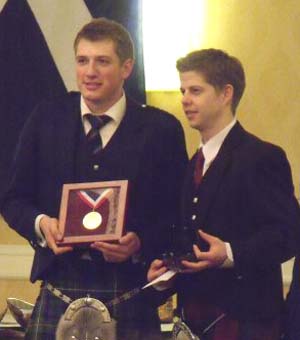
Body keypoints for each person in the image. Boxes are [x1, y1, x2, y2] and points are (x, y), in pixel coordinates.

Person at [0, 18, 188, 339]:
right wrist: (42, 224)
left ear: (126, 67)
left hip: (130, 289)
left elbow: (178, 213)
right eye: (83, 60)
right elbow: (12, 198)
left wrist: (139, 241)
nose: (90, 72)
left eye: (103, 61)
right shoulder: (46, 118)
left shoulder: (161, 130)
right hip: (59, 285)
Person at [147, 48, 300, 340]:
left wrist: (230, 253)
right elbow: (189, 238)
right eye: (182, 91)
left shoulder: (261, 156)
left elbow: (288, 235)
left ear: (225, 93)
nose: (184, 100)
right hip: (192, 318)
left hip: (246, 320)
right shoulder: (193, 163)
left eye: (195, 90)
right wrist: (167, 276)